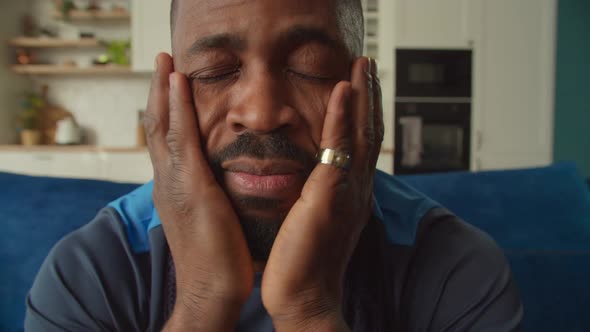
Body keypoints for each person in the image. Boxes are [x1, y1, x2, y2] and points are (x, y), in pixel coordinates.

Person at [25, 0, 523, 331]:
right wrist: (203, 302)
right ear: (166, 100)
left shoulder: (456, 267)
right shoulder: (91, 271)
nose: (261, 112)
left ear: (363, 94)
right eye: (215, 72)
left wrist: (309, 308)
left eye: (309, 67)